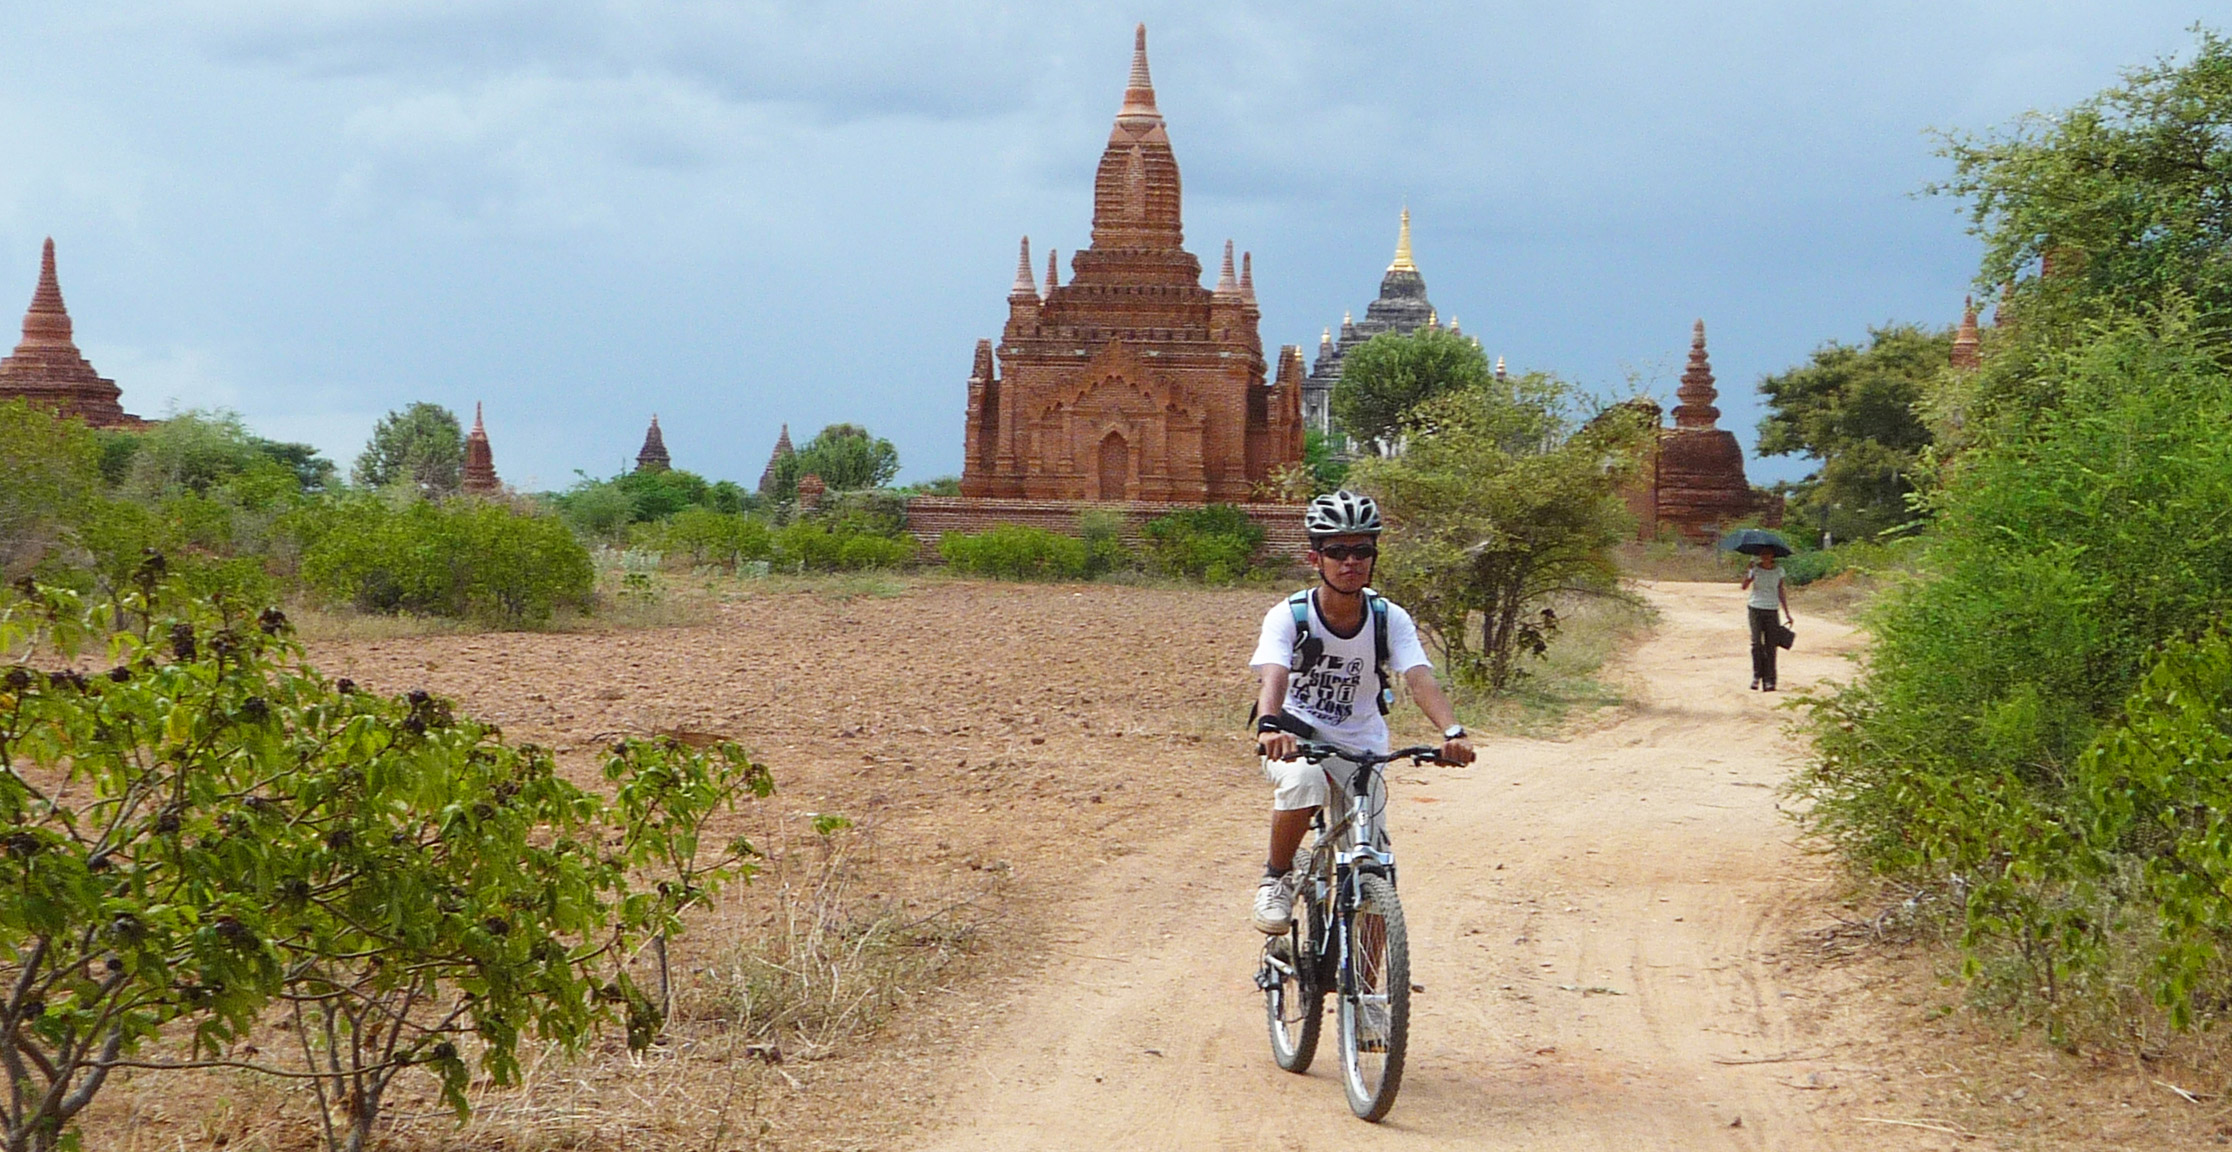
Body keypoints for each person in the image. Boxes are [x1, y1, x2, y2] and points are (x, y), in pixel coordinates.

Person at [1248, 490, 1475, 934]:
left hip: (1363, 748)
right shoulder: (1290, 615)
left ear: (1373, 556)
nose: (1349, 561)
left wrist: (1452, 730)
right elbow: (1273, 674)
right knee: (1304, 781)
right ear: (1315, 558)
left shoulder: (1388, 617)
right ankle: (1275, 878)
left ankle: (1370, 1001)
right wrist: (1270, 725)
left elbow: (1418, 675)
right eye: (1336, 551)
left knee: (1373, 872)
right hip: (1298, 737)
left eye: (1361, 550)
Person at [1740, 550, 1794, 691]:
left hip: (1772, 610)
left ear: (1773, 556)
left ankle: (1770, 680)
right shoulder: (1755, 569)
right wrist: (1749, 572)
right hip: (1755, 608)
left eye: (1768, 554)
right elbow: (1744, 586)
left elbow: (1780, 590)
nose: (1765, 556)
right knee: (1757, 643)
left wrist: (1787, 612)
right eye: (1763, 554)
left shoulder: (1779, 571)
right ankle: (1757, 676)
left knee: (1771, 646)